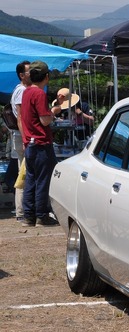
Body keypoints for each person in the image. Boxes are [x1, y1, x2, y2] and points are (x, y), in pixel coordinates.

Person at [20, 60, 62, 227]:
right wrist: (54, 111)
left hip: (29, 143)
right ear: (46, 76)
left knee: (31, 180)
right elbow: (45, 121)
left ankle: (28, 216)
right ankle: (42, 216)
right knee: (44, 180)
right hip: (41, 143)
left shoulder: (26, 92)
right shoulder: (40, 94)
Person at [9, 60, 31, 223]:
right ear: (22, 75)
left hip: (21, 135)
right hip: (21, 135)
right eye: (29, 71)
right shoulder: (22, 90)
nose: (32, 73)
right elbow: (21, 118)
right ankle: (21, 211)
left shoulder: (23, 89)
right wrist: (25, 139)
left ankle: (24, 210)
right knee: (24, 172)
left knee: (25, 171)